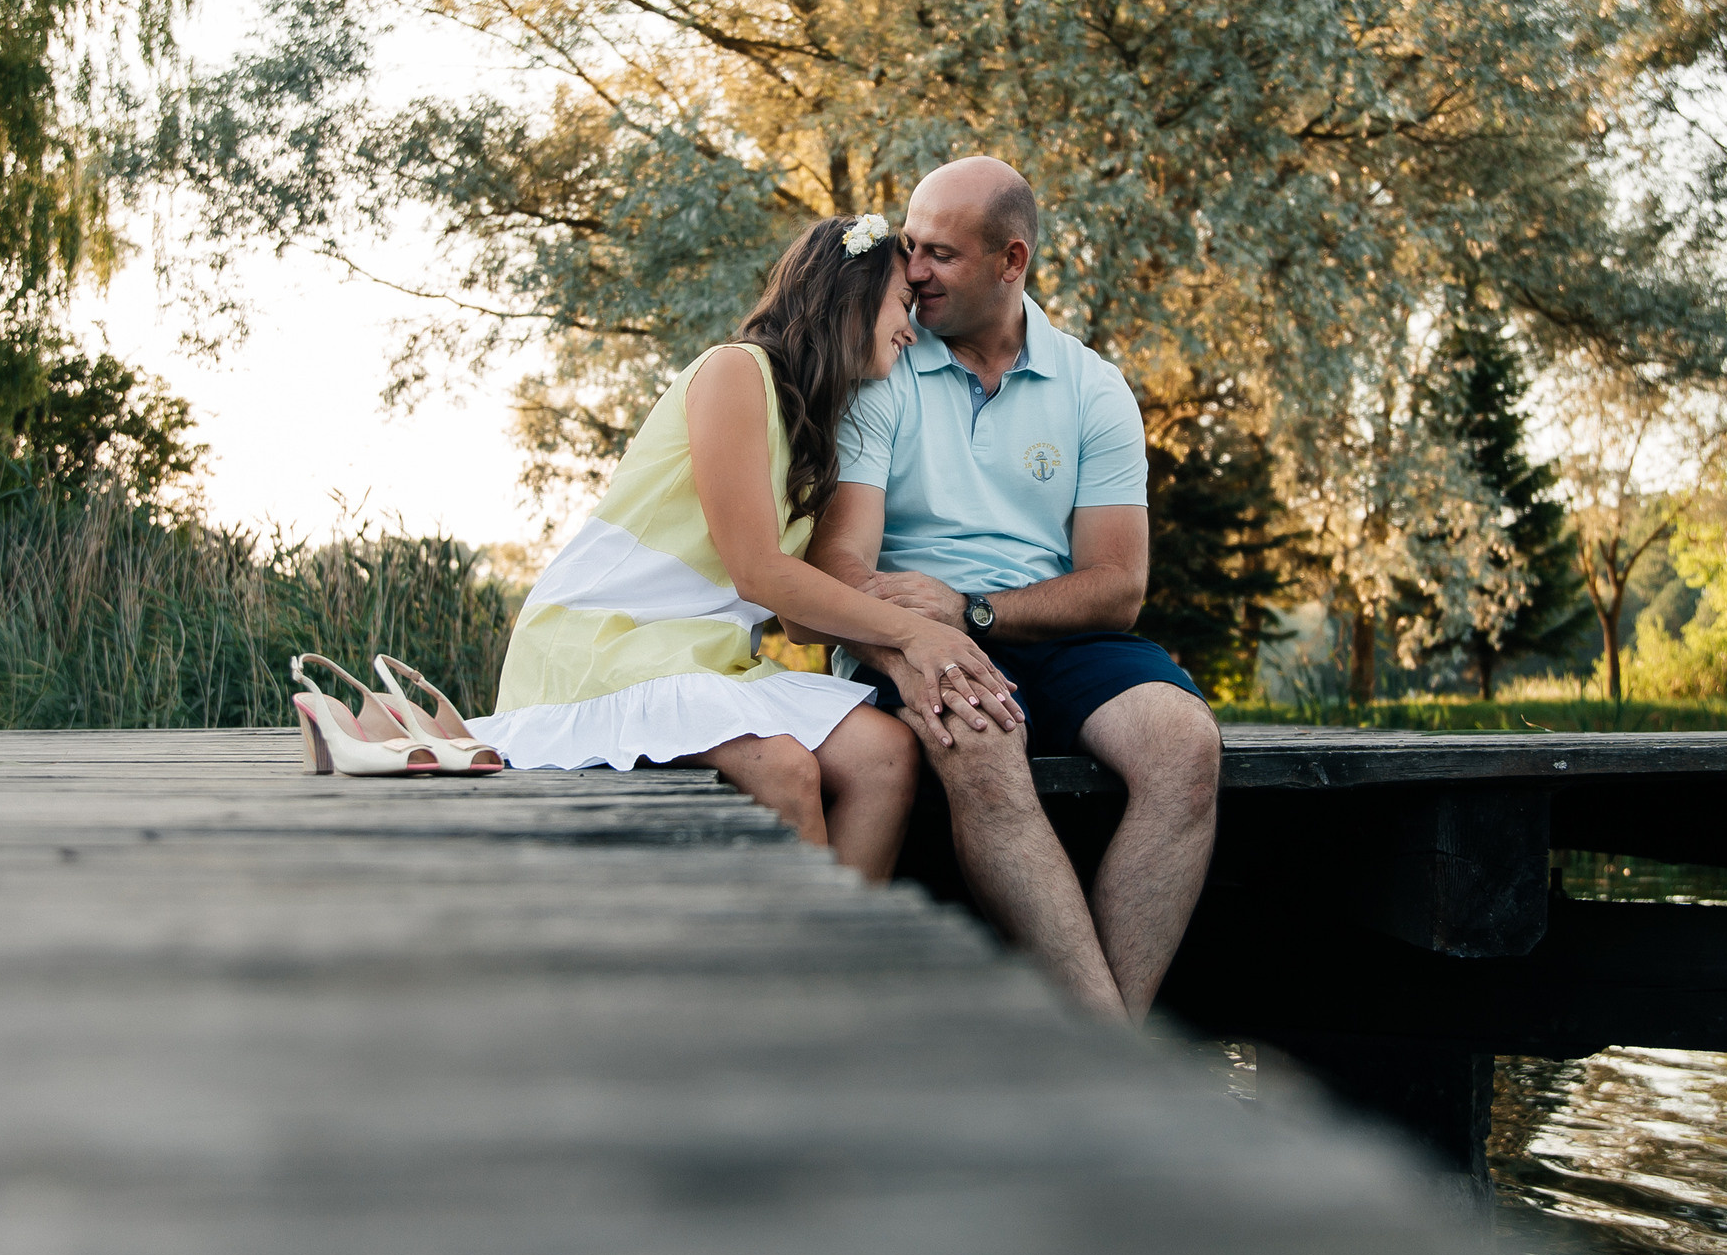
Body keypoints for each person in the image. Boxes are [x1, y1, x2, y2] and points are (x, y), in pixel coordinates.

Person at [466, 216, 1022, 883]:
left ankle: (844, 940)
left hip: (705, 656)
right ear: (850, 294)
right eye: (902, 303)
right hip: (607, 643)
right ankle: (785, 949)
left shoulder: (814, 427)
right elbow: (759, 573)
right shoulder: (735, 370)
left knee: (886, 754)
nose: (911, 328)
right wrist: (916, 634)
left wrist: (915, 639)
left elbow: (799, 618)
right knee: (785, 770)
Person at [803, 157, 1222, 1019]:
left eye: (941, 254)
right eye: (911, 245)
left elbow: (1118, 587)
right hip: (907, 637)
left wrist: (975, 610)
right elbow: (840, 566)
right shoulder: (883, 366)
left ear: (1012, 260)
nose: (913, 270)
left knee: (1187, 746)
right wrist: (923, 636)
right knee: (986, 750)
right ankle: (1112, 1056)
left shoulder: (1093, 388)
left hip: (1052, 634)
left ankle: (1101, 1047)